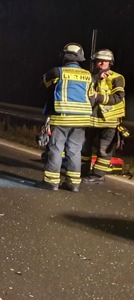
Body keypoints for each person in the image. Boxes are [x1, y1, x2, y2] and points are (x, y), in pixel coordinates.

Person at [40, 43, 96, 192]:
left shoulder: (57, 72)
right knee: (74, 151)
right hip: (81, 120)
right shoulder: (88, 76)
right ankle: (73, 184)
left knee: (56, 149)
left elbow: (44, 84)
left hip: (61, 118)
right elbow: (92, 98)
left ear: (63, 56)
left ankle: (51, 182)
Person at [81, 48, 126, 183]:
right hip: (91, 119)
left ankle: (98, 176)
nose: (102, 64)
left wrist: (98, 97)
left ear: (110, 63)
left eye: (105, 62)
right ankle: (81, 172)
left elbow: (118, 97)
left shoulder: (117, 78)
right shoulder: (89, 77)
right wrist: (95, 78)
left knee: (104, 150)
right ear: (95, 62)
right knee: (84, 147)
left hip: (109, 121)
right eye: (99, 61)